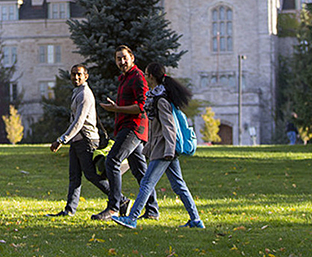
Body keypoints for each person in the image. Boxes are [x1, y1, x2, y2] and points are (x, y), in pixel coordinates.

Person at [113, 62, 205, 229]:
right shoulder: (156, 96)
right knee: (178, 185)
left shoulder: (160, 100)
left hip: (164, 149)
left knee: (147, 182)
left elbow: (169, 127)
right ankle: (196, 220)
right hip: (162, 148)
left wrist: (169, 150)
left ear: (151, 77)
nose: (146, 77)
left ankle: (132, 218)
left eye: (147, 74)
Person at [92, 45, 159, 221]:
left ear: (132, 58)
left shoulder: (138, 77)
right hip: (125, 126)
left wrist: (117, 108)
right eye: (118, 59)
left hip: (134, 127)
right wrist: (117, 108)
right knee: (140, 171)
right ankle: (152, 210)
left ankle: (114, 206)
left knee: (112, 160)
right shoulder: (124, 78)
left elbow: (143, 106)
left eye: (124, 58)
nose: (121, 62)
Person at [46, 64, 111, 217]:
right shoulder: (78, 92)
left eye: (79, 74)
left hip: (87, 141)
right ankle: (69, 210)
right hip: (77, 141)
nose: (76, 77)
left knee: (91, 175)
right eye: (74, 74)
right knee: (74, 176)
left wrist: (61, 140)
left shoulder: (84, 94)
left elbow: (78, 122)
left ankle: (119, 199)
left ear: (86, 76)